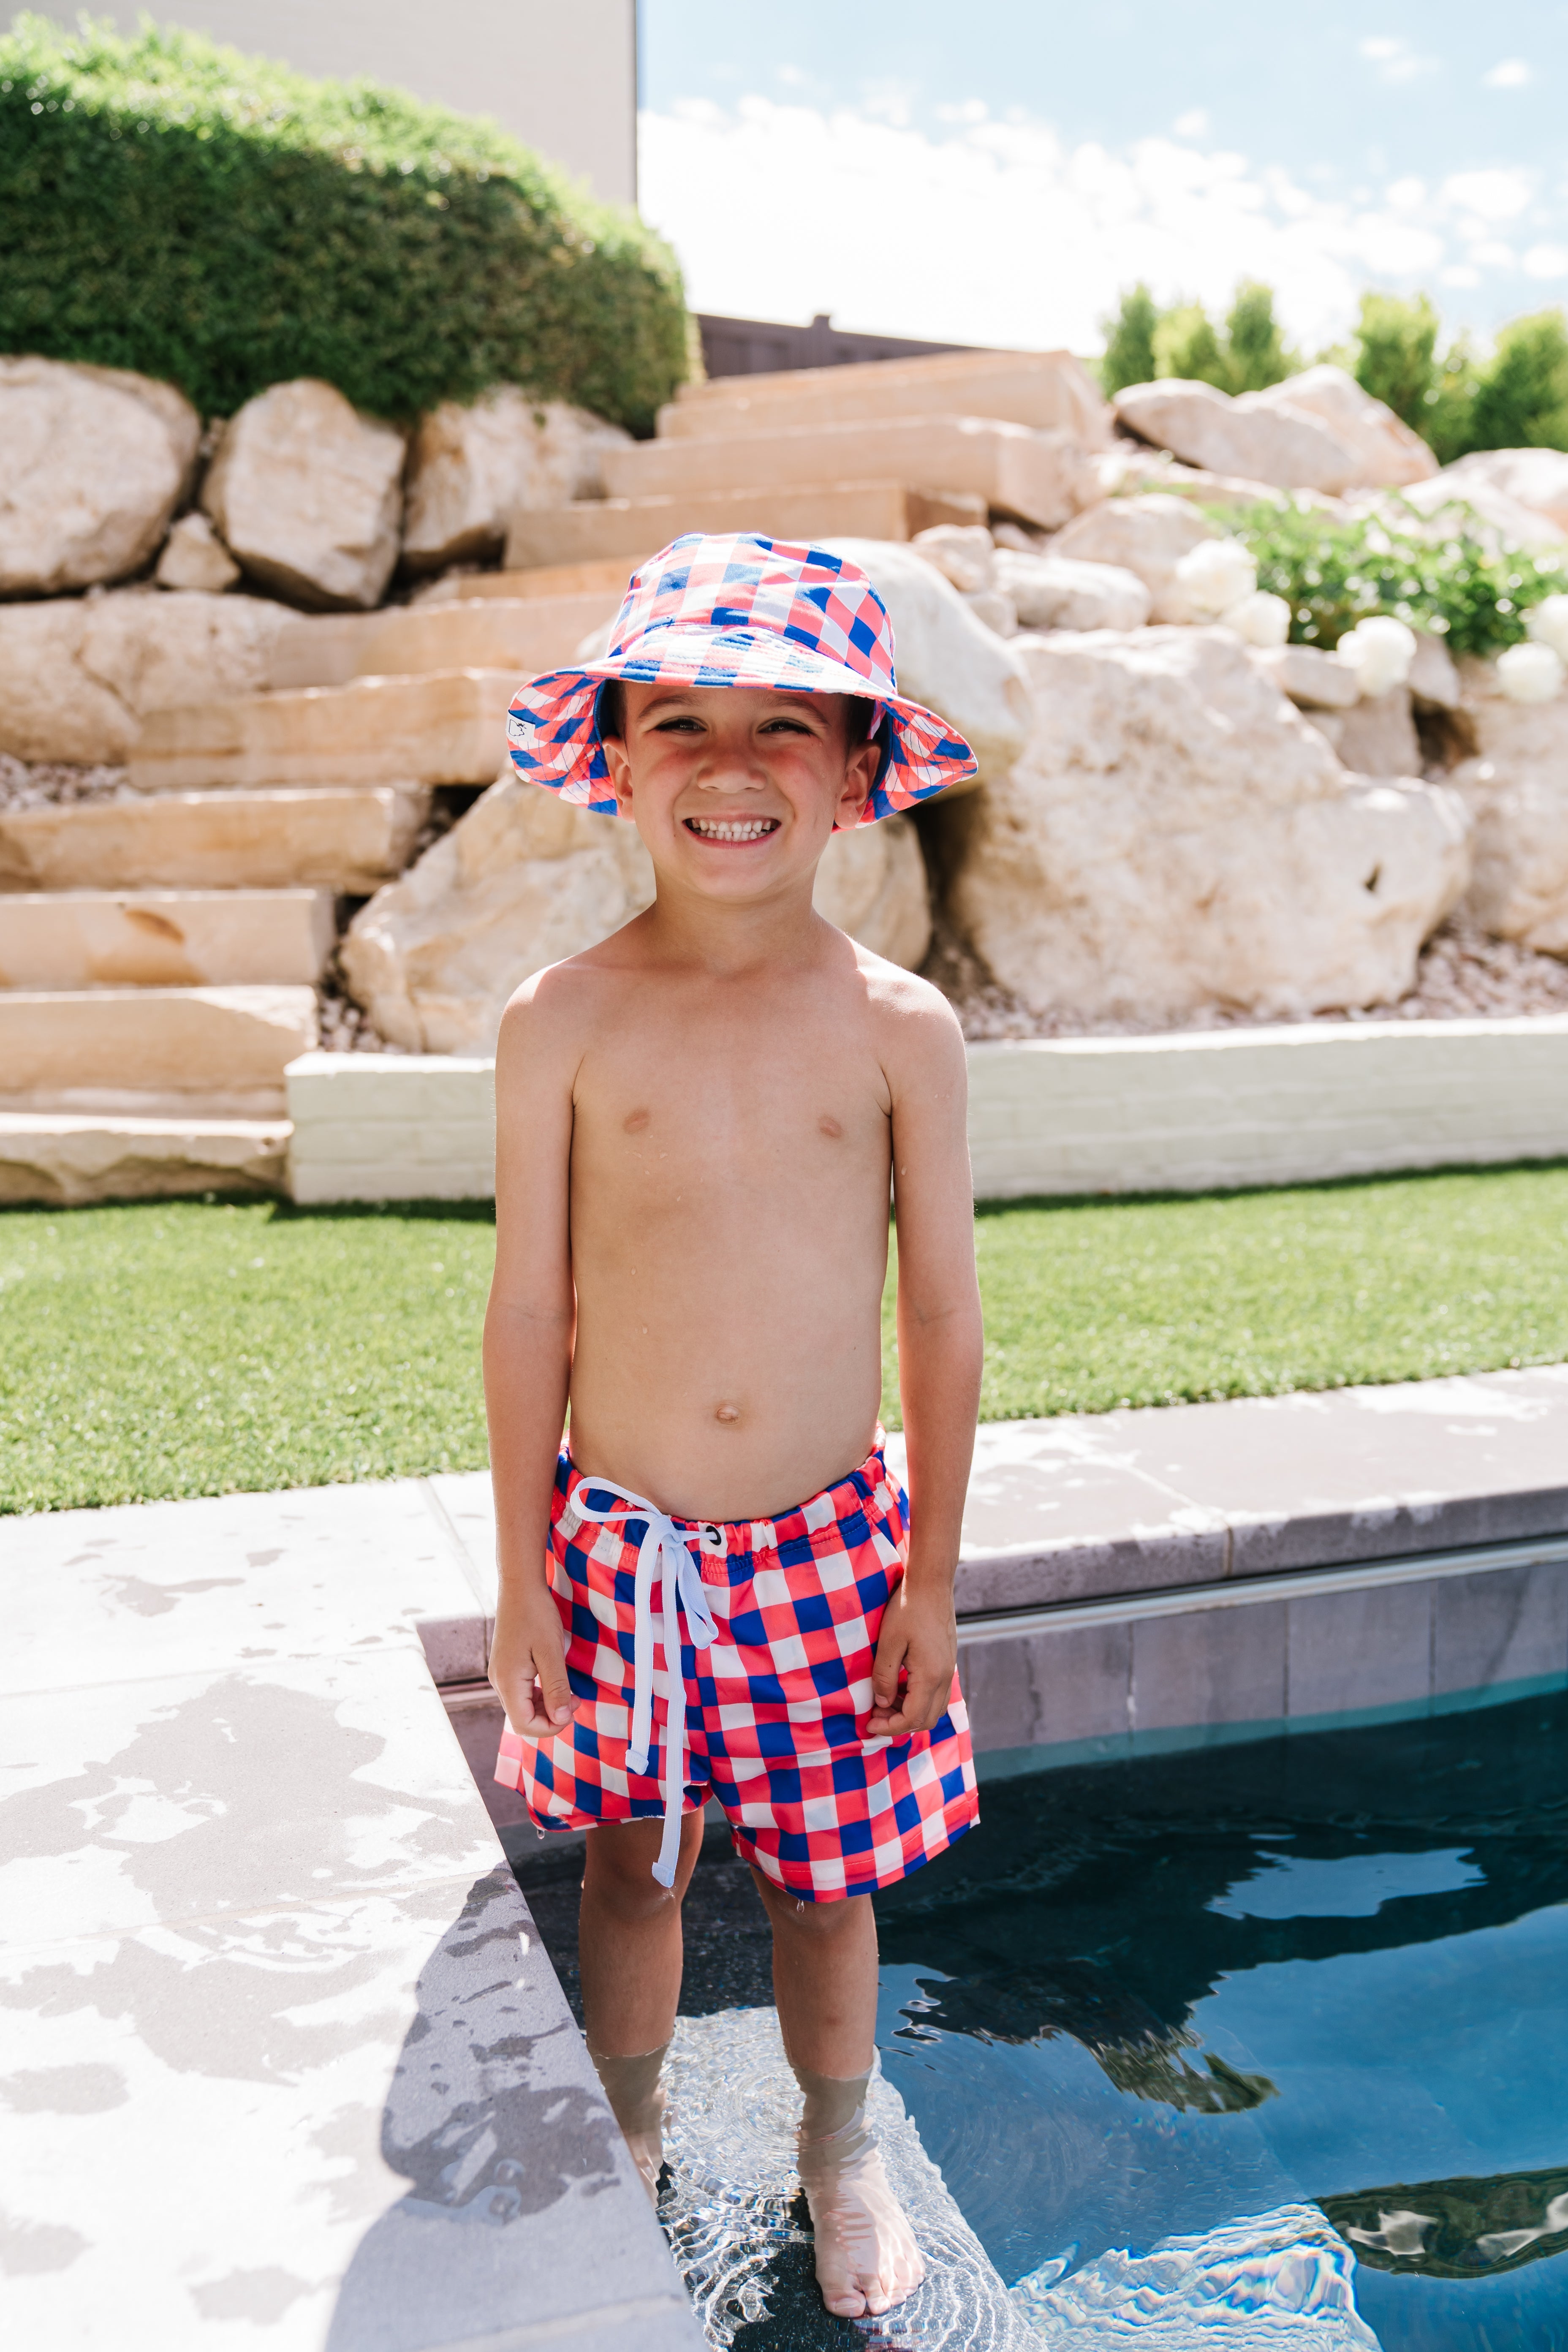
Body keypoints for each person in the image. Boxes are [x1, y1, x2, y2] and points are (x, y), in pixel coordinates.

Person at [484, 532, 983, 2322]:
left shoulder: (896, 1029)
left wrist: (927, 1576)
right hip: (617, 1547)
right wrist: (520, 1576)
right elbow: (529, 1308)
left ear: (856, 775)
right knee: (629, 1870)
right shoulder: (561, 1021)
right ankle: (626, 2136)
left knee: (822, 1886)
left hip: (830, 1543)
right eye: (680, 717)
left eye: (783, 724)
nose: (727, 759)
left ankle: (836, 2148)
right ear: (616, 757)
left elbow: (937, 1315)